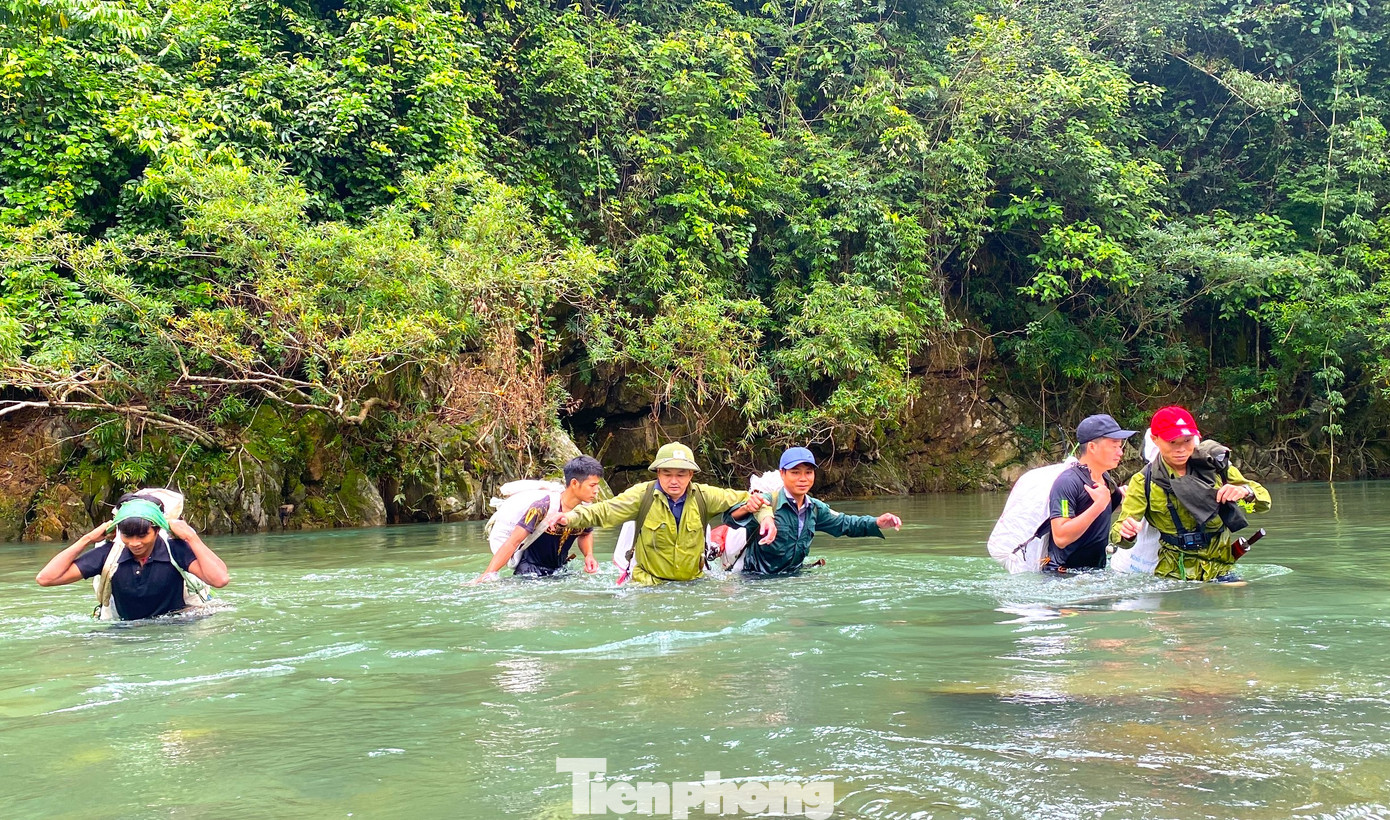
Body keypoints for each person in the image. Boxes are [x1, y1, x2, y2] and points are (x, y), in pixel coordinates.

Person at [554, 443, 775, 585]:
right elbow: (605, 511)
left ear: (691, 475)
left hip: (692, 585)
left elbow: (749, 498)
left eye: (681, 474)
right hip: (648, 586)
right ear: (658, 473)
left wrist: (766, 517)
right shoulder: (642, 495)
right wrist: (569, 518)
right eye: (667, 473)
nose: (674, 481)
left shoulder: (704, 496)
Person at [1111, 406, 1271, 581]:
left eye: (1187, 441)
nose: (1181, 449)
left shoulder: (1216, 467)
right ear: (1155, 439)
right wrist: (1127, 532)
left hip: (1221, 567)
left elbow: (1263, 504)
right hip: (1174, 574)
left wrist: (1245, 492)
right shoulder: (1143, 481)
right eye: (1172, 442)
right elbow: (1120, 534)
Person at [35, 494, 230, 620]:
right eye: (127, 535)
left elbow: (220, 579)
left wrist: (191, 537)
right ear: (119, 532)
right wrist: (87, 539)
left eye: (142, 535)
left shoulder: (175, 550)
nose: (135, 543)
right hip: (127, 633)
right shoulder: (109, 554)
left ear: (156, 530)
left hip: (176, 630)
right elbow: (46, 579)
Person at [734, 447, 901, 576]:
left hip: (794, 578)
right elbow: (731, 515)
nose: (803, 478)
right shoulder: (766, 501)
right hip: (757, 581)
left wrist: (877, 522)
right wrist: (747, 507)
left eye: (808, 472)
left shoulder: (814, 508)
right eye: (795, 472)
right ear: (782, 474)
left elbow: (845, 523)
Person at [471, 456, 604, 583]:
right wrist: (487, 574)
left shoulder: (585, 510)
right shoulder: (542, 508)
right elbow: (513, 542)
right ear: (574, 483)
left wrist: (589, 555)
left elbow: (586, 534)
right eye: (592, 485)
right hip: (530, 574)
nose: (596, 491)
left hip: (560, 571)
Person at [1039, 414, 1136, 573]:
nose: (1120, 453)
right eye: (1114, 446)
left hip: (1095, 573)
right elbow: (1061, 537)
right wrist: (1098, 505)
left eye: (1120, 446)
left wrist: (1124, 500)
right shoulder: (1067, 482)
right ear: (1092, 447)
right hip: (1063, 577)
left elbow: (1103, 508)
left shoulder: (1105, 478)